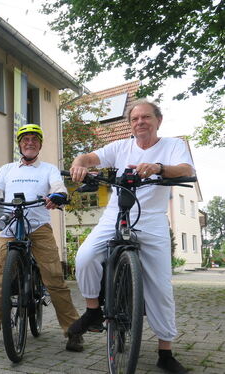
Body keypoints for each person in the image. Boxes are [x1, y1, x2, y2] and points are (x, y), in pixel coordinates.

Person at [68, 100, 195, 374]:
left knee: (161, 286)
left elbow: (187, 170)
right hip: (115, 212)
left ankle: (165, 352)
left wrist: (159, 168)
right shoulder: (120, 147)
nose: (140, 122)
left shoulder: (172, 145)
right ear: (130, 125)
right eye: (135, 119)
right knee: (85, 256)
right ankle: (93, 309)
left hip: (151, 218)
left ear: (158, 120)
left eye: (146, 117)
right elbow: (90, 158)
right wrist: (79, 163)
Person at [0, 124, 83, 352]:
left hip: (38, 226)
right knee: (0, 279)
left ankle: (73, 331)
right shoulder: (7, 169)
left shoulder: (49, 169)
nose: (30, 143)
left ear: (40, 144)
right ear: (20, 145)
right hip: (11, 227)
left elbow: (58, 188)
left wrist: (58, 196)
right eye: (25, 140)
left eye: (34, 139)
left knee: (54, 278)